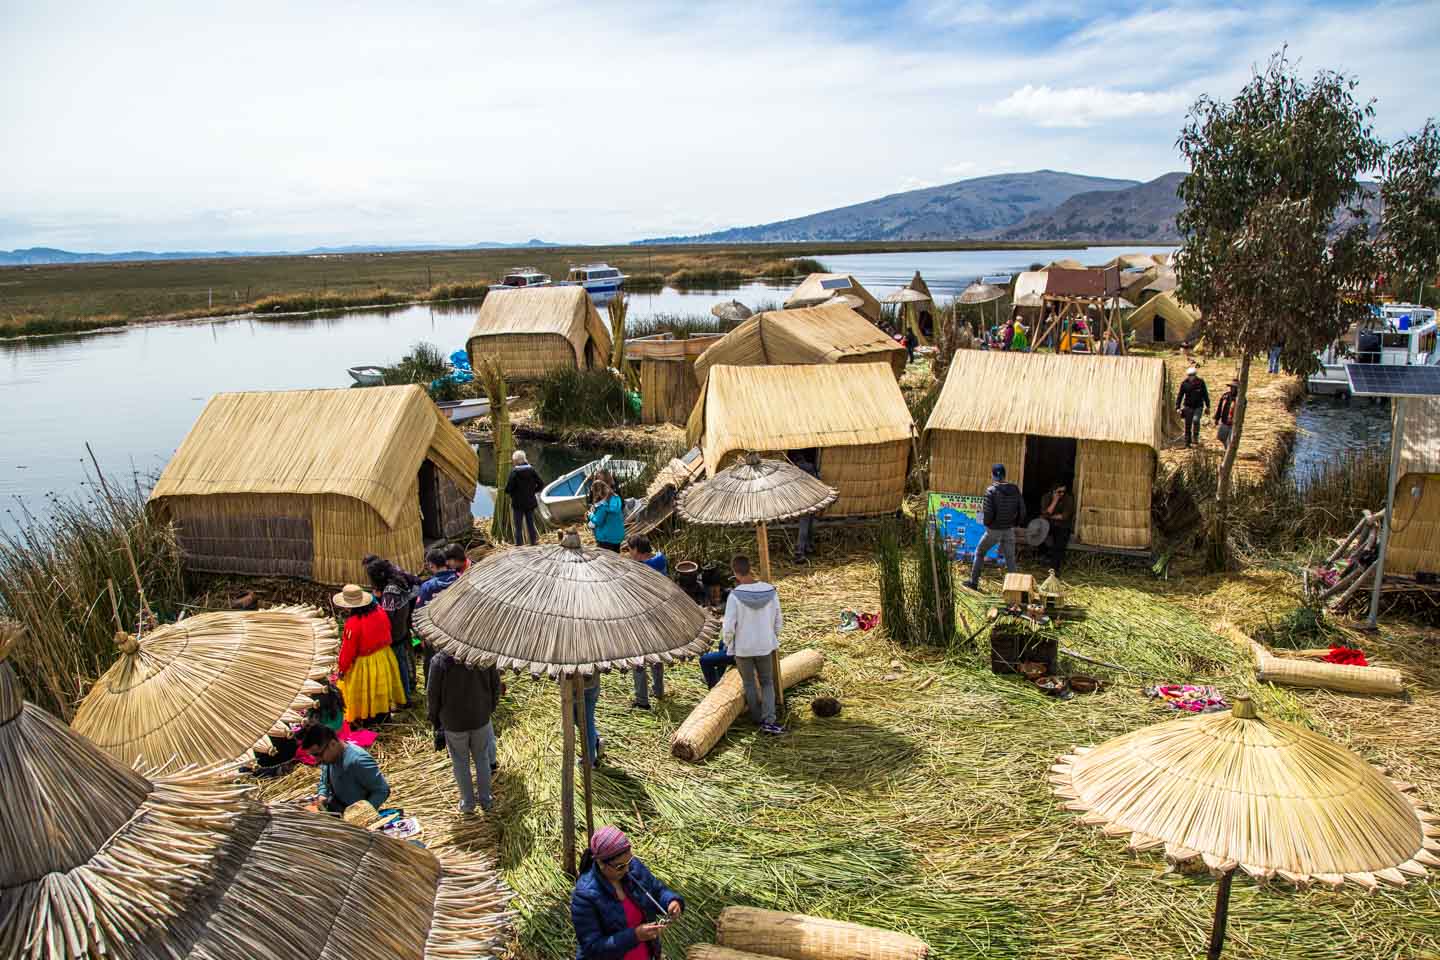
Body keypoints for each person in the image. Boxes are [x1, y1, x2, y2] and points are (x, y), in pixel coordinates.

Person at [570, 826, 683, 960]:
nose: (627, 869)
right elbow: (593, 947)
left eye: (629, 861)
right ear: (601, 863)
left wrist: (671, 901)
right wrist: (635, 935)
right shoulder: (585, 895)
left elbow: (656, 890)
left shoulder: (632, 867)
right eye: (620, 866)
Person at [428, 651, 502, 814]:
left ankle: (468, 804)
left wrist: (436, 722)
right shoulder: (483, 655)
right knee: (482, 758)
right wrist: (488, 709)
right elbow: (496, 686)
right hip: (480, 719)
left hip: (453, 723)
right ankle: (486, 800)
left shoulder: (439, 661)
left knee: (460, 762)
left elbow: (432, 696)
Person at [722, 555, 784, 735]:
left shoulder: (734, 596)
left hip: (743, 648)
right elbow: (779, 619)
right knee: (767, 682)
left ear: (735, 573)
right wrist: (771, 636)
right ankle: (769, 719)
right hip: (765, 645)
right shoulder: (770, 591)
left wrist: (729, 644)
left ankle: (756, 718)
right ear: (750, 568)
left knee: (749, 683)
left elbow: (728, 627)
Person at [333, 583, 406, 726]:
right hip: (384, 656)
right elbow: (388, 629)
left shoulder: (353, 623)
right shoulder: (379, 611)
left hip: (365, 662)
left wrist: (342, 668)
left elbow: (348, 649)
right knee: (380, 690)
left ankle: (366, 719)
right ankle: (383, 716)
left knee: (364, 691)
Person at [364, 555, 422, 700]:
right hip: (403, 626)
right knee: (406, 656)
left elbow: (386, 617)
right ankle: (411, 683)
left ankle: (405, 696)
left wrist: (376, 600)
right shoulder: (397, 577)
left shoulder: (390, 592)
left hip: (395, 633)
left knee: (399, 662)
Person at [300, 722, 390, 814]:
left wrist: (362, 814)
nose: (316, 760)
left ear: (333, 744)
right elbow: (324, 780)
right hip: (335, 807)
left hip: (353, 816)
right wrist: (322, 794)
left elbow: (382, 790)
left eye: (317, 754)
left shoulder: (358, 760)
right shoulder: (328, 757)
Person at [964, 464, 1024, 590]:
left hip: (994, 530)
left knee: (980, 552)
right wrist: (1015, 523)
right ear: (1004, 475)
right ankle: (1015, 589)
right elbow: (1022, 511)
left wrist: (988, 525)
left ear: (993, 475)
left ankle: (974, 583)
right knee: (1010, 559)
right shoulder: (1015, 489)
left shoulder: (991, 491)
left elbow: (988, 514)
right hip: (1009, 529)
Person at [626, 536, 668, 710]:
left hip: (642, 617)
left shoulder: (640, 570)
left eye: (630, 550)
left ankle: (642, 700)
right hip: (661, 613)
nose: (629, 553)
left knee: (639, 657)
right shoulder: (661, 560)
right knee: (657, 654)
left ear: (636, 550)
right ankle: (658, 690)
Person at [504, 450, 545, 545]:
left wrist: (509, 492)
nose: (513, 462)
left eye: (513, 460)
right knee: (530, 523)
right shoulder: (531, 470)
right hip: (530, 502)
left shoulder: (514, 472)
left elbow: (509, 488)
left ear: (516, 461)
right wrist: (533, 491)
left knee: (518, 525)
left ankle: (519, 544)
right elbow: (541, 484)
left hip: (518, 503)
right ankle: (533, 542)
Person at [789, 449, 820, 564]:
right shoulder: (810, 467)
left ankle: (802, 550)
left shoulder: (794, 470)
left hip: (802, 499)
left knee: (804, 524)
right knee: (809, 523)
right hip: (813, 497)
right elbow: (818, 479)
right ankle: (807, 548)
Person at [1041, 481, 1076, 574]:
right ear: (1053, 492)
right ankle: (1045, 557)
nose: (1062, 494)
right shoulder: (1046, 497)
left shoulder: (1068, 499)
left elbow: (1064, 516)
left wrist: (1049, 516)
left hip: (1062, 526)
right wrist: (1054, 501)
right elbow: (1045, 514)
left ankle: (1054, 569)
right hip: (1049, 524)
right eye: (1059, 492)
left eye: (1063, 492)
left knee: (1059, 545)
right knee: (1038, 534)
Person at [1176, 366, 1210, 448]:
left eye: (1192, 375)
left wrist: (1208, 406)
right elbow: (1180, 395)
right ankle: (1187, 443)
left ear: (1195, 375)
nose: (1191, 377)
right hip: (1188, 407)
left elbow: (1205, 394)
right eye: (1189, 375)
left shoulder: (1201, 383)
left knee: (1196, 420)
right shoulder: (1184, 384)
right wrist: (1178, 407)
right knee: (1187, 425)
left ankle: (1195, 438)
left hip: (1198, 406)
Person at [587, 480, 626, 552]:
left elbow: (598, 521)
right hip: (617, 536)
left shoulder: (602, 505)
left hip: (606, 538)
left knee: (607, 558)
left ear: (598, 492)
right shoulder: (616, 498)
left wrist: (590, 515)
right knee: (616, 556)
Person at [1216, 379, 1239, 447]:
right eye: (1231, 387)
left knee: (1230, 441)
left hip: (1234, 424)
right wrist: (1217, 418)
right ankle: (1227, 450)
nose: (1232, 389)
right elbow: (1220, 407)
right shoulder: (1225, 396)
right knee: (1221, 437)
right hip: (1224, 421)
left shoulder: (1240, 399)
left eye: (1234, 387)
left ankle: (1228, 453)